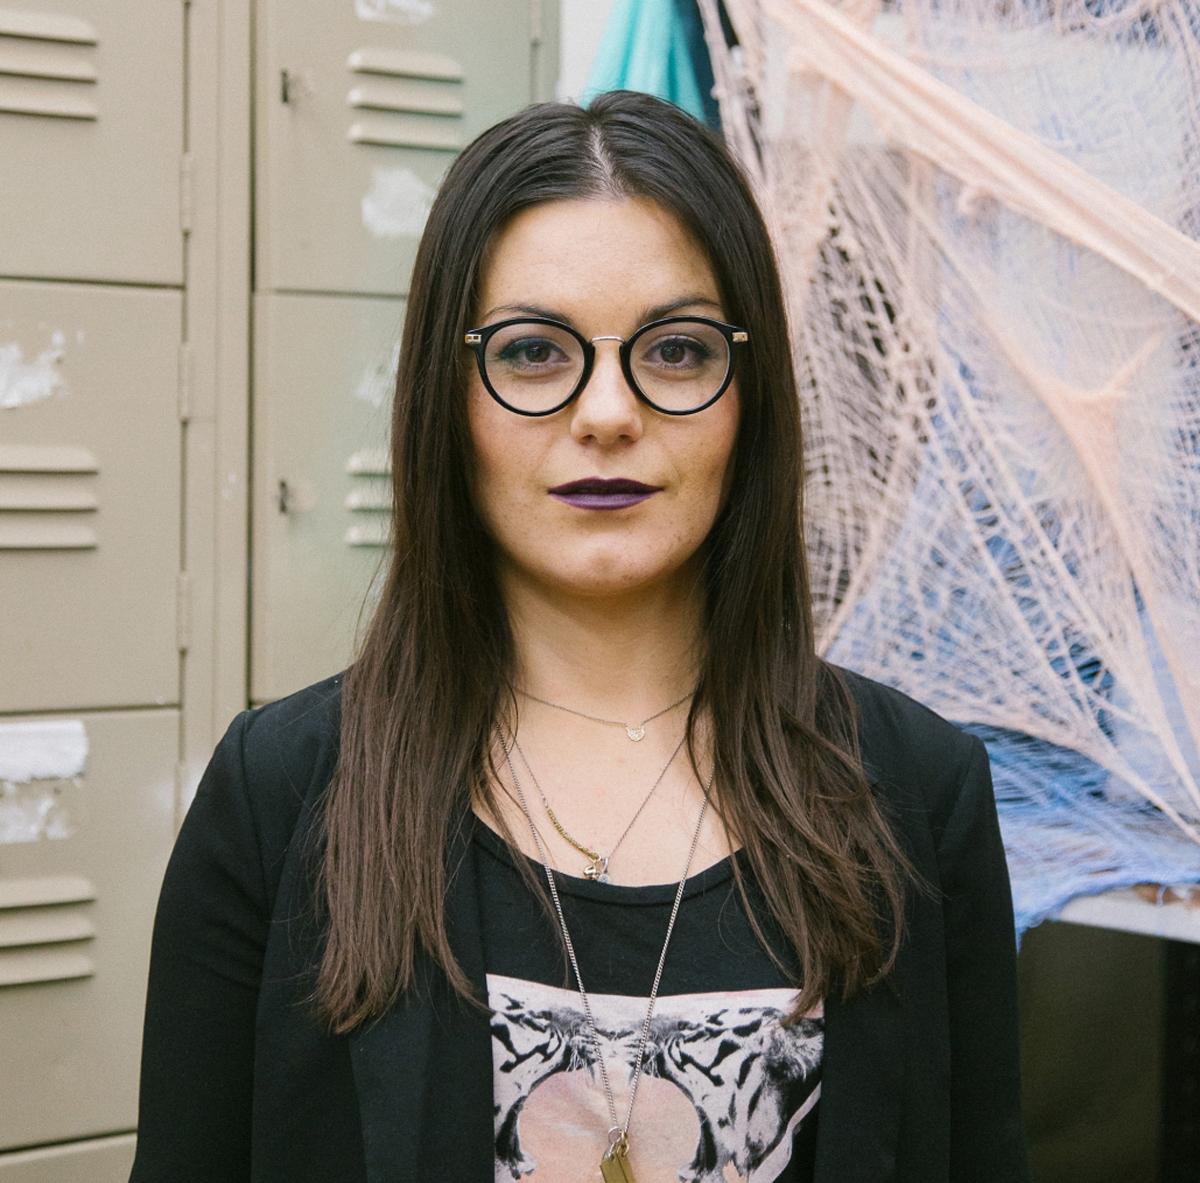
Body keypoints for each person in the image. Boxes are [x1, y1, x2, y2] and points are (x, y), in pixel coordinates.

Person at [129, 91, 1028, 1183]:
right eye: (536, 352)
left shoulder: (918, 795)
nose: (607, 411)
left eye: (680, 350)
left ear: (753, 399)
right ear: (445, 399)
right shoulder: (279, 794)